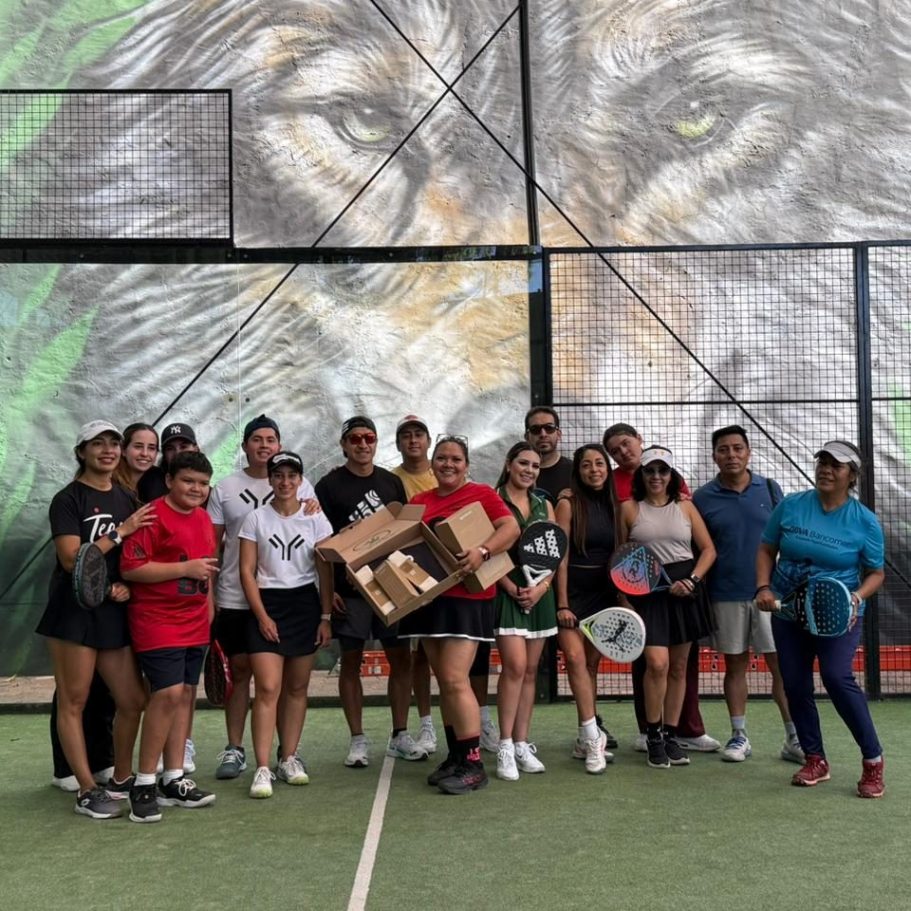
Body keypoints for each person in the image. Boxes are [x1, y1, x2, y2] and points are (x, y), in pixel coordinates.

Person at [36, 420, 153, 818]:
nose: (108, 450)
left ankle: (120, 778)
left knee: (132, 700)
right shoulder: (67, 499)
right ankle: (86, 790)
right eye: (97, 443)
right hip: (73, 613)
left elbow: (136, 557)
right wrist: (119, 533)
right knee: (74, 700)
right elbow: (72, 560)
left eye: (113, 443)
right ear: (81, 452)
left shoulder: (127, 498)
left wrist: (125, 585)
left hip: (112, 612)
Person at [755, 440, 886, 797]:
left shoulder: (864, 521)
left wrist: (856, 598)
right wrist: (764, 586)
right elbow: (766, 548)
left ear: (852, 475)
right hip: (788, 611)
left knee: (836, 676)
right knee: (795, 683)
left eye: (836, 465)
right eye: (822, 462)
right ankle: (815, 759)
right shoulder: (792, 505)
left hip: (838, 615)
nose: (826, 470)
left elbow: (876, 573)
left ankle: (873, 761)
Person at [399, 435, 520, 794]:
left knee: (454, 679)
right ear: (432, 463)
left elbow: (511, 528)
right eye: (442, 458)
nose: (448, 464)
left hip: (468, 598)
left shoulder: (481, 494)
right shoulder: (419, 501)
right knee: (445, 681)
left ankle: (473, 764)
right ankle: (456, 756)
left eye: (455, 459)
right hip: (429, 600)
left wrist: (482, 551)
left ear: (466, 465)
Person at [315, 416, 427, 767]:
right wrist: (328, 590)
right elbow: (321, 542)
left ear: (376, 442)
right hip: (349, 592)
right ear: (343, 445)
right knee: (350, 661)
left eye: (369, 438)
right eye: (355, 439)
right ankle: (357, 740)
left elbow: (404, 532)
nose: (363, 444)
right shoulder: (328, 485)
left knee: (401, 658)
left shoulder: (391, 482)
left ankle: (400, 735)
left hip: (389, 585)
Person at [208, 414, 316, 780]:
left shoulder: (303, 486)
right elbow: (213, 546)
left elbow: (312, 529)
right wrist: (209, 596)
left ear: (279, 446)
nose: (264, 445)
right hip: (234, 597)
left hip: (282, 600)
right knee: (240, 674)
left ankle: (287, 754)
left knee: (282, 683)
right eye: (257, 439)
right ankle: (235, 749)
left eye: (271, 439)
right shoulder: (225, 488)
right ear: (245, 446)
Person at [604, 422, 720, 754]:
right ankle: (652, 734)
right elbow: (619, 557)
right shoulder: (628, 509)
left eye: (662, 470)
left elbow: (708, 550)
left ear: (671, 474)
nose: (656, 476)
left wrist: (692, 581)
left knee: (679, 667)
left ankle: (671, 735)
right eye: (650, 470)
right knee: (657, 664)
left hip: (685, 591)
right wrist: (623, 598)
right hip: (647, 596)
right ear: (641, 475)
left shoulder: (686, 506)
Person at [693, 425, 802, 763]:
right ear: (714, 456)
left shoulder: (770, 488)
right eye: (724, 449)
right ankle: (739, 736)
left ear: (748, 452)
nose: (732, 455)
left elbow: (787, 539)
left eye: (738, 448)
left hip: (771, 595)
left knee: (781, 666)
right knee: (735, 665)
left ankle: (794, 738)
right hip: (725, 594)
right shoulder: (702, 498)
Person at [121, 451, 219, 822]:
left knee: (186, 695)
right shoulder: (151, 516)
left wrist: (208, 606)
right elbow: (131, 568)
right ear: (169, 481)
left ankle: (173, 779)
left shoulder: (204, 518)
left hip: (195, 621)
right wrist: (184, 568)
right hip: (156, 620)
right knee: (167, 694)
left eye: (202, 483)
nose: (196, 489)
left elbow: (205, 569)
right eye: (188, 481)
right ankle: (144, 783)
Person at [239, 451, 335, 798]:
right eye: (278, 475)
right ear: (270, 479)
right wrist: (262, 615)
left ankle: (289, 758)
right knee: (267, 687)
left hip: (304, 606)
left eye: (292, 476)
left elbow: (325, 569)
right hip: (267, 604)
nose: (285, 482)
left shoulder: (315, 518)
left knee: (297, 688)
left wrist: (325, 617)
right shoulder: (255, 518)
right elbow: (246, 571)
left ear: (300, 480)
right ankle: (262, 767)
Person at [492, 442, 558, 781]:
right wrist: (510, 587)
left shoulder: (544, 504)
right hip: (508, 593)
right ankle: (504, 745)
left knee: (531, 670)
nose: (529, 470)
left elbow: (554, 553)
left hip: (540, 595)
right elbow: (487, 553)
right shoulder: (491, 500)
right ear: (509, 464)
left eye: (535, 466)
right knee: (515, 666)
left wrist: (541, 589)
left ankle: (521, 743)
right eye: (523, 463)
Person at [553, 445, 616, 774]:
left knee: (590, 666)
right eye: (587, 465)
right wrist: (562, 602)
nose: (594, 470)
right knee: (575, 660)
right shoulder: (567, 504)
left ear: (607, 468)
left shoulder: (617, 504)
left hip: (604, 596)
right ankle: (594, 740)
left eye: (600, 463)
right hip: (572, 597)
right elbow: (561, 558)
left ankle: (584, 735)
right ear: (577, 472)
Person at [391, 414, 438, 755]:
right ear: (398, 443)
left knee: (444, 655)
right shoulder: (390, 480)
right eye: (406, 435)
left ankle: (472, 724)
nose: (413, 440)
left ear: (428, 441)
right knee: (414, 656)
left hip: (446, 571)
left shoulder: (445, 471)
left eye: (418, 434)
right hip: (407, 572)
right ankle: (424, 724)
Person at [138, 423, 200, 503]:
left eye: (183, 447)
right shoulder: (147, 478)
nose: (177, 453)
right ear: (164, 454)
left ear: (196, 449)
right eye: (170, 448)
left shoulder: (205, 490)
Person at [524, 406, 573, 503]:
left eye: (549, 428)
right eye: (535, 429)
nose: (543, 434)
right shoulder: (519, 473)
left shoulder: (575, 472)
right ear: (527, 437)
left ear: (558, 434)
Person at [113, 423, 160, 497]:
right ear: (123, 450)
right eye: (138, 446)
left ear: (156, 453)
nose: (145, 453)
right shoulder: (110, 485)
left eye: (151, 448)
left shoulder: (156, 481)